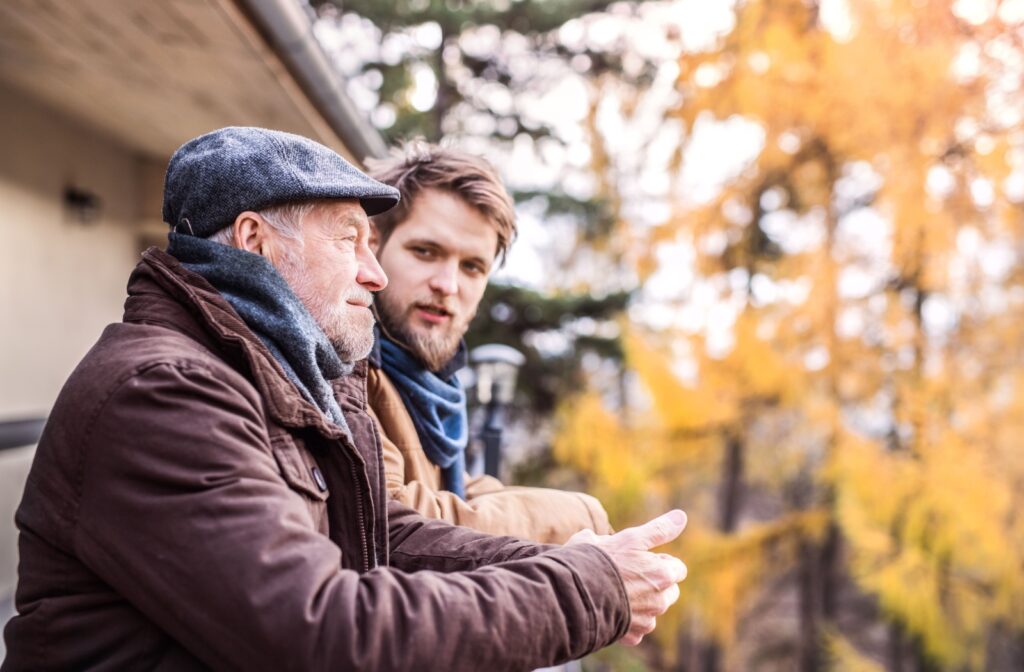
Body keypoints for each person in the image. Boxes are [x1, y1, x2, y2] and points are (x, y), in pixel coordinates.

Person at [2, 127, 688, 671]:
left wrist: (576, 565)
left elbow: (381, 535)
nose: (373, 269)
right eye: (351, 238)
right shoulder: (162, 394)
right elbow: (323, 634)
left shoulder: (297, 378)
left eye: (473, 265)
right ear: (254, 242)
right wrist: (583, 592)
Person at [365, 143, 612, 544]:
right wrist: (586, 517)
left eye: (472, 267)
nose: (447, 285)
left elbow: (455, 495)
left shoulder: (432, 389)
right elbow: (393, 518)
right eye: (425, 252)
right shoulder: (346, 363)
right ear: (372, 242)